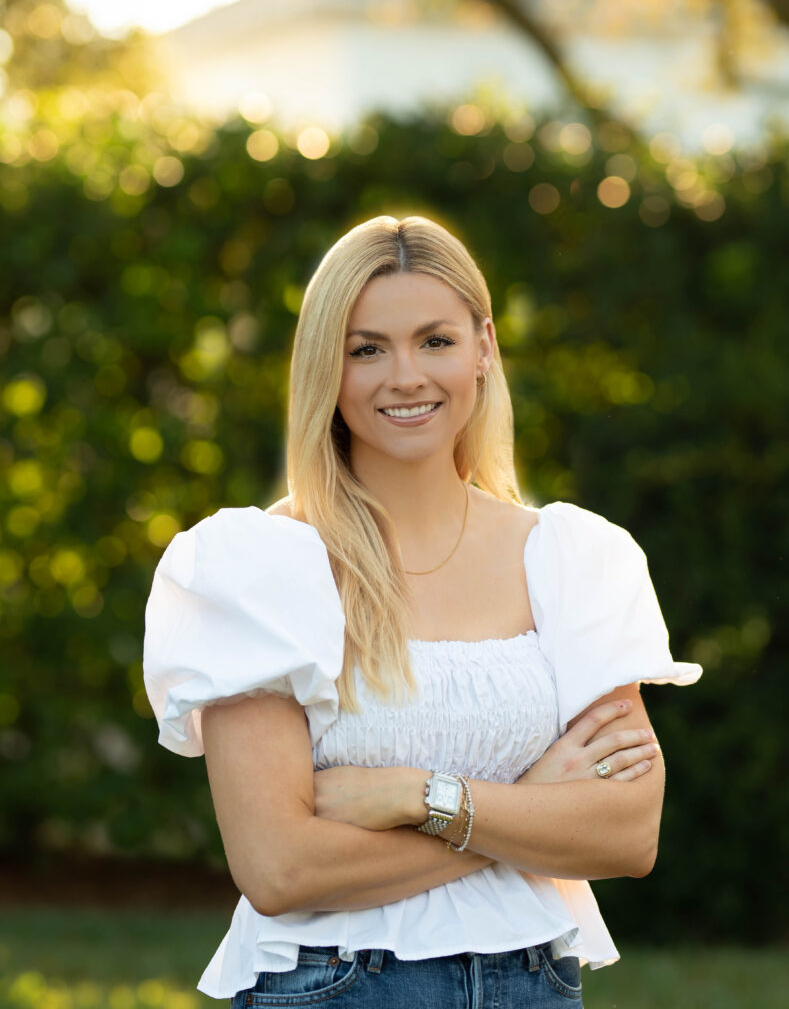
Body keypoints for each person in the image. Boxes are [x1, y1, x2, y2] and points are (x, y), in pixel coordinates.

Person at [143, 214, 702, 1007]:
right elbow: (279, 868)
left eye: (434, 341)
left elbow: (626, 832)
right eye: (366, 349)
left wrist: (422, 798)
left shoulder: (573, 557)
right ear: (325, 368)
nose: (405, 377)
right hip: (332, 984)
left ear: (483, 348)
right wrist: (528, 807)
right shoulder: (257, 566)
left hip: (531, 984)